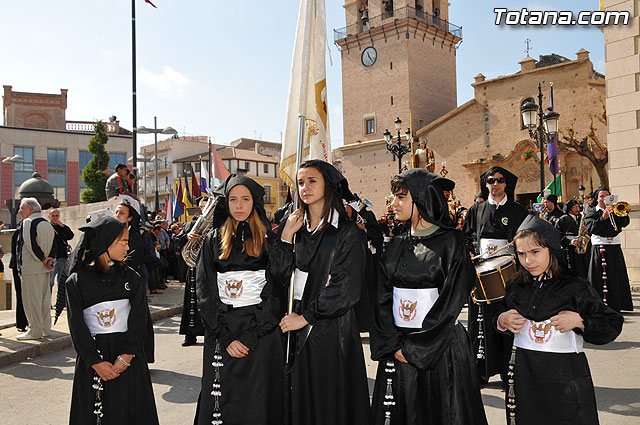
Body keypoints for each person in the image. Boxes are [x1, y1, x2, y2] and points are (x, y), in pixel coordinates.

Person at [370, 169, 488, 425]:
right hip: (399, 345)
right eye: (393, 197)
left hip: (440, 347)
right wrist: (393, 344)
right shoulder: (396, 242)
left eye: (401, 197)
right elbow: (381, 298)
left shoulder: (451, 242)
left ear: (421, 198)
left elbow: (451, 301)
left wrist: (415, 348)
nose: (393, 203)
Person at [496, 215, 623, 425]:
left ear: (551, 249)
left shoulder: (575, 287)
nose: (528, 260)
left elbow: (612, 323)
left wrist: (580, 321)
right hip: (525, 374)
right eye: (521, 254)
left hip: (565, 376)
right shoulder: (515, 286)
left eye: (535, 252)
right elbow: (498, 315)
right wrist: (503, 319)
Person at [276, 159, 370, 425]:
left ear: (328, 185)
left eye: (312, 181)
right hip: (291, 324)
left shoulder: (347, 233)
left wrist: (305, 318)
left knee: (328, 398)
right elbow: (277, 277)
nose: (304, 187)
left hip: (330, 328)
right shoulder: (294, 228)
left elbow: (347, 289)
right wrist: (284, 239)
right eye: (301, 182)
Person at [194, 175, 284, 425]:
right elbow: (205, 293)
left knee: (259, 400)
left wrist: (252, 335)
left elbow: (276, 290)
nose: (239, 205)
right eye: (233, 199)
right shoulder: (212, 240)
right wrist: (225, 337)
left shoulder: (269, 241)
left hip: (261, 332)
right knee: (224, 401)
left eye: (245, 199)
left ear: (254, 202)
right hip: (223, 329)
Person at [65, 216, 159, 425]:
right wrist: (95, 362)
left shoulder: (131, 277)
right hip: (95, 360)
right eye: (123, 242)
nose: (128, 247)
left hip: (128, 358)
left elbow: (139, 320)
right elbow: (77, 326)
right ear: (105, 243)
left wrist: (126, 357)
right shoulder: (77, 282)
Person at [461, 166, 530, 384]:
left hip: (509, 275)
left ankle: (506, 371)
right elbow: (465, 237)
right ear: (486, 184)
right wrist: (471, 253)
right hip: (481, 275)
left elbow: (528, 239)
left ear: (506, 183)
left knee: (508, 323)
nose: (495, 184)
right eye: (491, 180)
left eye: (499, 180)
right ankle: (480, 371)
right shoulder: (476, 210)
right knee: (480, 323)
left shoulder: (518, 211)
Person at [584, 186, 633, 312]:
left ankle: (616, 304)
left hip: (614, 247)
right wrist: (602, 218)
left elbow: (625, 223)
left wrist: (618, 214)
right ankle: (598, 305)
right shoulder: (592, 212)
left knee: (616, 276)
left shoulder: (614, 210)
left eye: (607, 196)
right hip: (599, 247)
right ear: (597, 198)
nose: (604, 199)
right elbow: (590, 228)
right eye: (601, 196)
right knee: (598, 278)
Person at [15, 198, 55, 340]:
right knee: (44, 299)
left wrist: (42, 258)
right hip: (45, 268)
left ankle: (34, 330)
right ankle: (45, 328)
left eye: (22, 208)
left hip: (31, 268)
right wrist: (49, 259)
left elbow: (31, 245)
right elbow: (55, 244)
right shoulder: (47, 223)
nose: (20, 211)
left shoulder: (28, 222)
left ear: (30, 209)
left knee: (31, 300)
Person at [177, 196, 209, 346]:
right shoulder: (190, 225)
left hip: (209, 270)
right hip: (193, 269)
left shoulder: (214, 225)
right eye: (201, 207)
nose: (203, 210)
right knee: (191, 303)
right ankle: (190, 336)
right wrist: (186, 236)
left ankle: (210, 335)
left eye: (206, 206)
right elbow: (176, 243)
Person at [555, 199, 589, 279]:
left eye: (578, 207)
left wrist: (586, 231)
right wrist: (569, 242)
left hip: (582, 249)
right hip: (569, 251)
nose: (578, 209)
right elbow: (557, 235)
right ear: (569, 208)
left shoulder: (581, 217)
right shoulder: (562, 219)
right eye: (575, 207)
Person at [48, 209, 74, 293]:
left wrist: (62, 226)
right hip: (52, 258)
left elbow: (70, 236)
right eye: (53, 216)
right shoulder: (47, 227)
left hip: (62, 257)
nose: (55, 218)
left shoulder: (62, 227)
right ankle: (48, 303)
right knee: (50, 281)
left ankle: (60, 303)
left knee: (62, 281)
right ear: (49, 217)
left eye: (57, 216)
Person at [10, 224, 29, 332]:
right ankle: (21, 323)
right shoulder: (18, 233)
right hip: (18, 267)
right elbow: (15, 251)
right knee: (20, 295)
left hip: (27, 267)